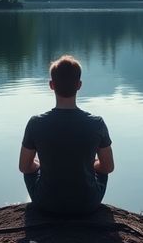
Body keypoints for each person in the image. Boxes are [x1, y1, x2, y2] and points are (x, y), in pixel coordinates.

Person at [19, 55, 115, 215]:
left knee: (31, 170)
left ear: (51, 85)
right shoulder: (97, 123)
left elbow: (24, 167)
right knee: (100, 169)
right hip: (87, 204)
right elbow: (108, 167)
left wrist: (41, 165)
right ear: (79, 85)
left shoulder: (35, 123)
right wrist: (89, 164)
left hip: (46, 203)